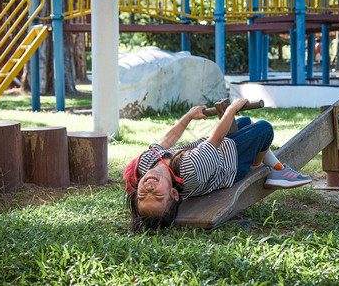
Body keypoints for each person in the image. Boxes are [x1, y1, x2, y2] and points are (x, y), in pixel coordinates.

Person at [124, 98, 311, 232]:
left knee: (244, 122)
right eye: (156, 193)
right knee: (264, 129)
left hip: (215, 150)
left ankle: (264, 158)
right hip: (231, 163)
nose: (149, 187)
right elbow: (216, 138)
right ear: (173, 193)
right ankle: (269, 169)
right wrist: (231, 109)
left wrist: (188, 116)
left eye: (142, 194)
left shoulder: (145, 164)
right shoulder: (191, 170)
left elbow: (167, 140)